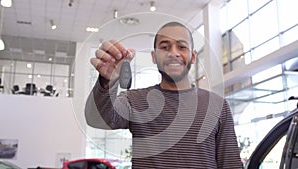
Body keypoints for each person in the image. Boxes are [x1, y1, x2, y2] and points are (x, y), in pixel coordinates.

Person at [85, 22, 243, 169]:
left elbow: (230, 163)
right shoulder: (134, 100)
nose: (173, 53)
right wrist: (107, 81)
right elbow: (97, 118)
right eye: (165, 47)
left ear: (193, 56)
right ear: (154, 57)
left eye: (181, 47)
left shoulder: (217, 105)